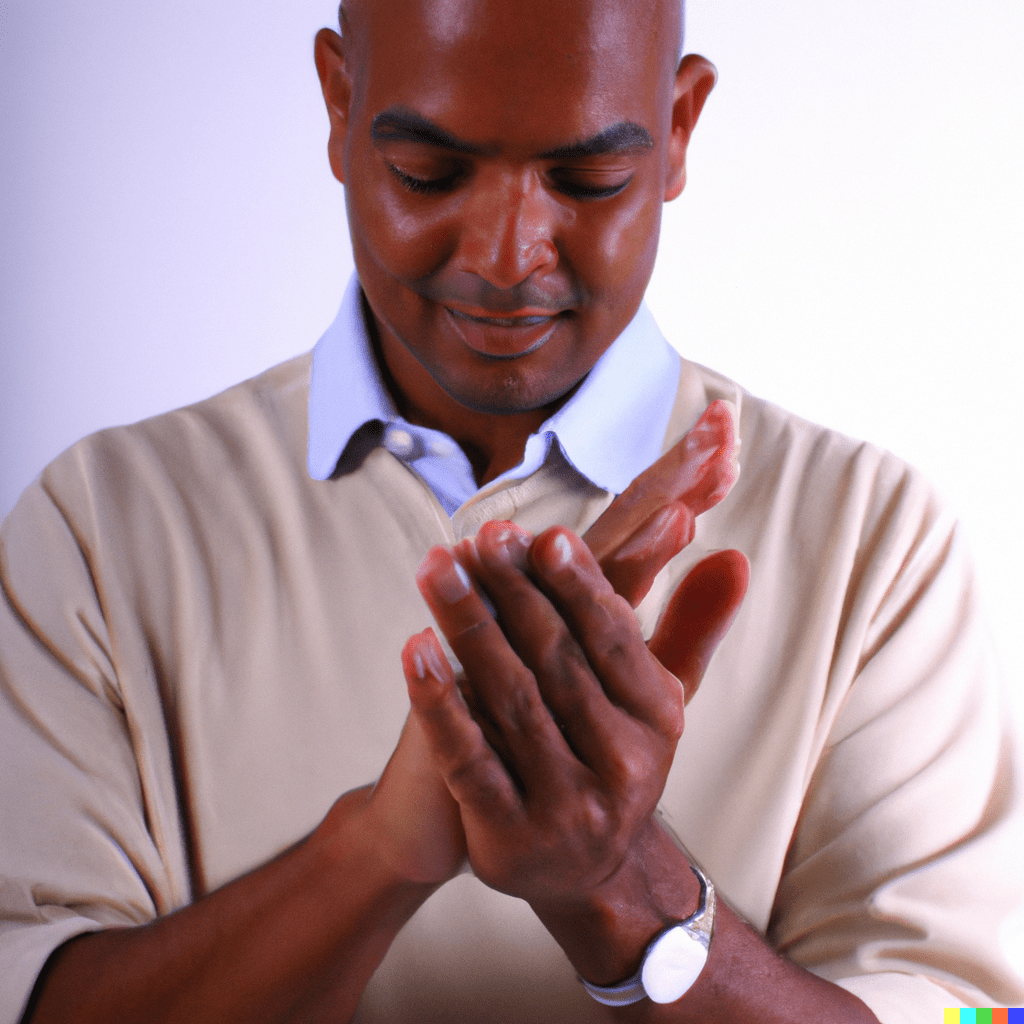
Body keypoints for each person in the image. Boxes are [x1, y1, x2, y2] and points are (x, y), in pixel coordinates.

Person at [1, 0, 1021, 1021]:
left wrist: (621, 884)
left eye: (586, 181)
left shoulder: (873, 542)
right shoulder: (100, 525)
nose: (504, 255)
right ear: (338, 101)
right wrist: (378, 852)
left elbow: (966, 1013)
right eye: (427, 174)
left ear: (677, 129)